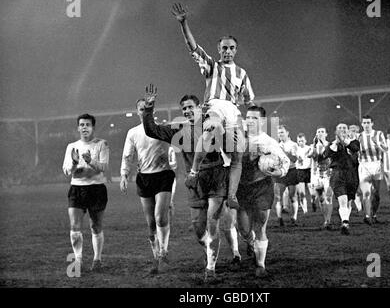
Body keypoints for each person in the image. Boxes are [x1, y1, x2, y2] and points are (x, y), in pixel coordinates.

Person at [142, 91, 241, 283]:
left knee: (213, 222)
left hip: (216, 176)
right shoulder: (179, 129)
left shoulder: (213, 123)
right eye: (184, 108)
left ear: (199, 108)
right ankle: (211, 253)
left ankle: (210, 268)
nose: (187, 111)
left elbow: (232, 146)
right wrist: (149, 109)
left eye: (190, 107)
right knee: (198, 228)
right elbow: (151, 130)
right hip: (195, 182)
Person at [171, 3, 255, 210]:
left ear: (236, 50)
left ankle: (232, 196)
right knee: (212, 130)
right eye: (224, 47)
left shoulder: (242, 74)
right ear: (219, 49)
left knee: (238, 155)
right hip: (215, 107)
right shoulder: (212, 66)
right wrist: (183, 23)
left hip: (233, 112)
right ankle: (193, 172)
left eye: (231, 48)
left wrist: (251, 115)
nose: (228, 51)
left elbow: (249, 99)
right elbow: (193, 47)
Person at [120, 94, 175, 275]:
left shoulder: (162, 129)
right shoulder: (133, 133)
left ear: (153, 110)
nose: (144, 112)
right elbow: (128, 155)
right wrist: (124, 174)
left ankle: (164, 254)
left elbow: (174, 153)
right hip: (145, 178)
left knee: (160, 217)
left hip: (164, 177)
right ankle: (156, 257)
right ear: (137, 112)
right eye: (141, 109)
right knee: (151, 223)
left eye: (147, 109)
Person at [236, 106, 290, 277]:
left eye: (254, 118)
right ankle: (251, 242)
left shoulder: (268, 141)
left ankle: (260, 265)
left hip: (262, 187)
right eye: (248, 117)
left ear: (262, 121)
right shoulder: (236, 138)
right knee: (243, 229)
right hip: (241, 188)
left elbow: (285, 161)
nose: (250, 121)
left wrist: (278, 172)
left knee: (260, 226)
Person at [62, 114, 109, 273]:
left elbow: (103, 167)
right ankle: (78, 260)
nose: (84, 127)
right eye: (81, 125)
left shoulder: (102, 144)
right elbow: (67, 171)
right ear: (78, 128)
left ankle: (97, 260)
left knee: (95, 226)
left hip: (96, 189)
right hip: (77, 189)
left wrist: (90, 161)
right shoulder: (71, 146)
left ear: (93, 127)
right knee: (74, 226)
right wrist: (75, 163)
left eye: (87, 125)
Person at [323, 123, 360, 235]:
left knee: (348, 202)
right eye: (340, 128)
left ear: (348, 130)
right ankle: (345, 222)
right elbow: (326, 154)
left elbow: (355, 148)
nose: (342, 130)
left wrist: (345, 142)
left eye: (344, 128)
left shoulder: (354, 142)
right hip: (338, 174)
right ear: (336, 131)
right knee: (342, 200)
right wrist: (337, 142)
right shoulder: (332, 145)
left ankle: (345, 220)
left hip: (352, 175)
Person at [358, 115, 387, 225]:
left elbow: (386, 149)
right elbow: (354, 151)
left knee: (376, 193)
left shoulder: (378, 134)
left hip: (376, 165)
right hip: (364, 165)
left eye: (368, 122)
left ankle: (374, 214)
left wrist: (377, 143)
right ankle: (367, 216)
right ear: (362, 124)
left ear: (372, 123)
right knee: (366, 193)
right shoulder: (359, 136)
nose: (366, 125)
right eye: (364, 123)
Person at [274, 125, 300, 226]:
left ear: (287, 133)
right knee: (278, 197)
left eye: (282, 132)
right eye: (279, 133)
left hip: (291, 171)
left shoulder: (293, 145)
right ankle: (279, 219)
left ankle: (294, 218)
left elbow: (294, 159)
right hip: (281, 172)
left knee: (293, 196)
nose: (280, 134)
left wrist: (283, 152)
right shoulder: (276, 145)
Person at [309, 126, 333, 230]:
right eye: (318, 132)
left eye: (322, 131)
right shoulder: (313, 146)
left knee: (328, 197)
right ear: (316, 134)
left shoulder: (331, 145)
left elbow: (330, 156)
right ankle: (325, 219)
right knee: (321, 198)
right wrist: (314, 146)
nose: (320, 133)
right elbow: (311, 155)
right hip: (316, 175)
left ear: (326, 134)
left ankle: (328, 221)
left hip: (328, 174)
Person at [295, 133, 313, 213]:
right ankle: (305, 210)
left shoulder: (310, 148)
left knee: (312, 192)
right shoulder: (295, 149)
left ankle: (313, 201)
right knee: (301, 192)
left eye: (302, 141)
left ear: (305, 141)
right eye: (299, 141)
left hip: (309, 170)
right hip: (300, 171)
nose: (301, 142)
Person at [348, 124, 362, 212]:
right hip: (347, 168)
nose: (353, 132)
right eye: (351, 130)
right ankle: (348, 206)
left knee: (357, 187)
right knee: (348, 188)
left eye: (355, 130)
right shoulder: (345, 140)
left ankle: (359, 206)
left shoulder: (360, 141)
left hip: (358, 166)